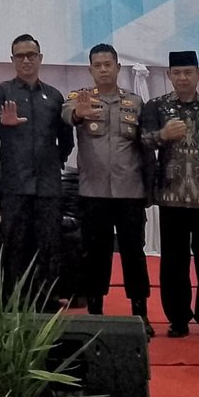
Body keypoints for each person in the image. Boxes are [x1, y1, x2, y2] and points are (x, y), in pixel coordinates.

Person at [139, 51, 199, 339]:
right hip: (171, 196)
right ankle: (177, 319)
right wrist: (162, 136)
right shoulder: (156, 107)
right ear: (168, 75)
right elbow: (141, 140)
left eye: (188, 72)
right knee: (173, 263)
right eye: (177, 73)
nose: (182, 78)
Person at [63, 44, 152, 331]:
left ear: (117, 67)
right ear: (90, 69)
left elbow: (146, 144)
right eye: (97, 65)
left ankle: (140, 313)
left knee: (134, 253)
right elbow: (66, 115)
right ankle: (95, 313)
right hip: (93, 193)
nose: (103, 70)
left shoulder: (135, 103)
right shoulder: (79, 99)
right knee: (94, 255)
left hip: (130, 192)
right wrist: (79, 114)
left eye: (108, 64)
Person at [0, 34, 73, 305]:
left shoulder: (54, 96)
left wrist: (54, 162)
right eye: (20, 56)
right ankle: (15, 301)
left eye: (31, 55)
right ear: (12, 60)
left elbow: (66, 139)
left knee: (49, 245)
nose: (26, 60)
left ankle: (47, 301)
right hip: (15, 186)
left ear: (40, 58)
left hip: (48, 187)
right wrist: (2, 120)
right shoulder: (1, 91)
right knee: (15, 246)